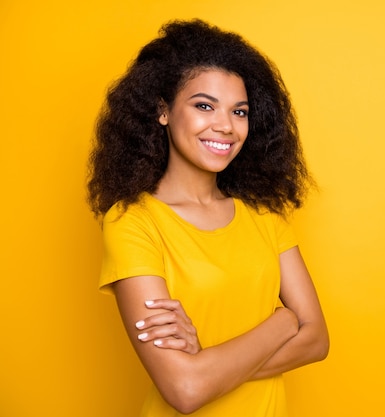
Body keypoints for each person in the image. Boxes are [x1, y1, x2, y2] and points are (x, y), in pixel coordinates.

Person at [87, 19, 329, 416]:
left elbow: (317, 340)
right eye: (204, 105)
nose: (225, 126)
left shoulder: (264, 215)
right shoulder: (132, 221)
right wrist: (284, 321)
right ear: (163, 110)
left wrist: (208, 367)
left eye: (239, 111)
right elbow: (183, 390)